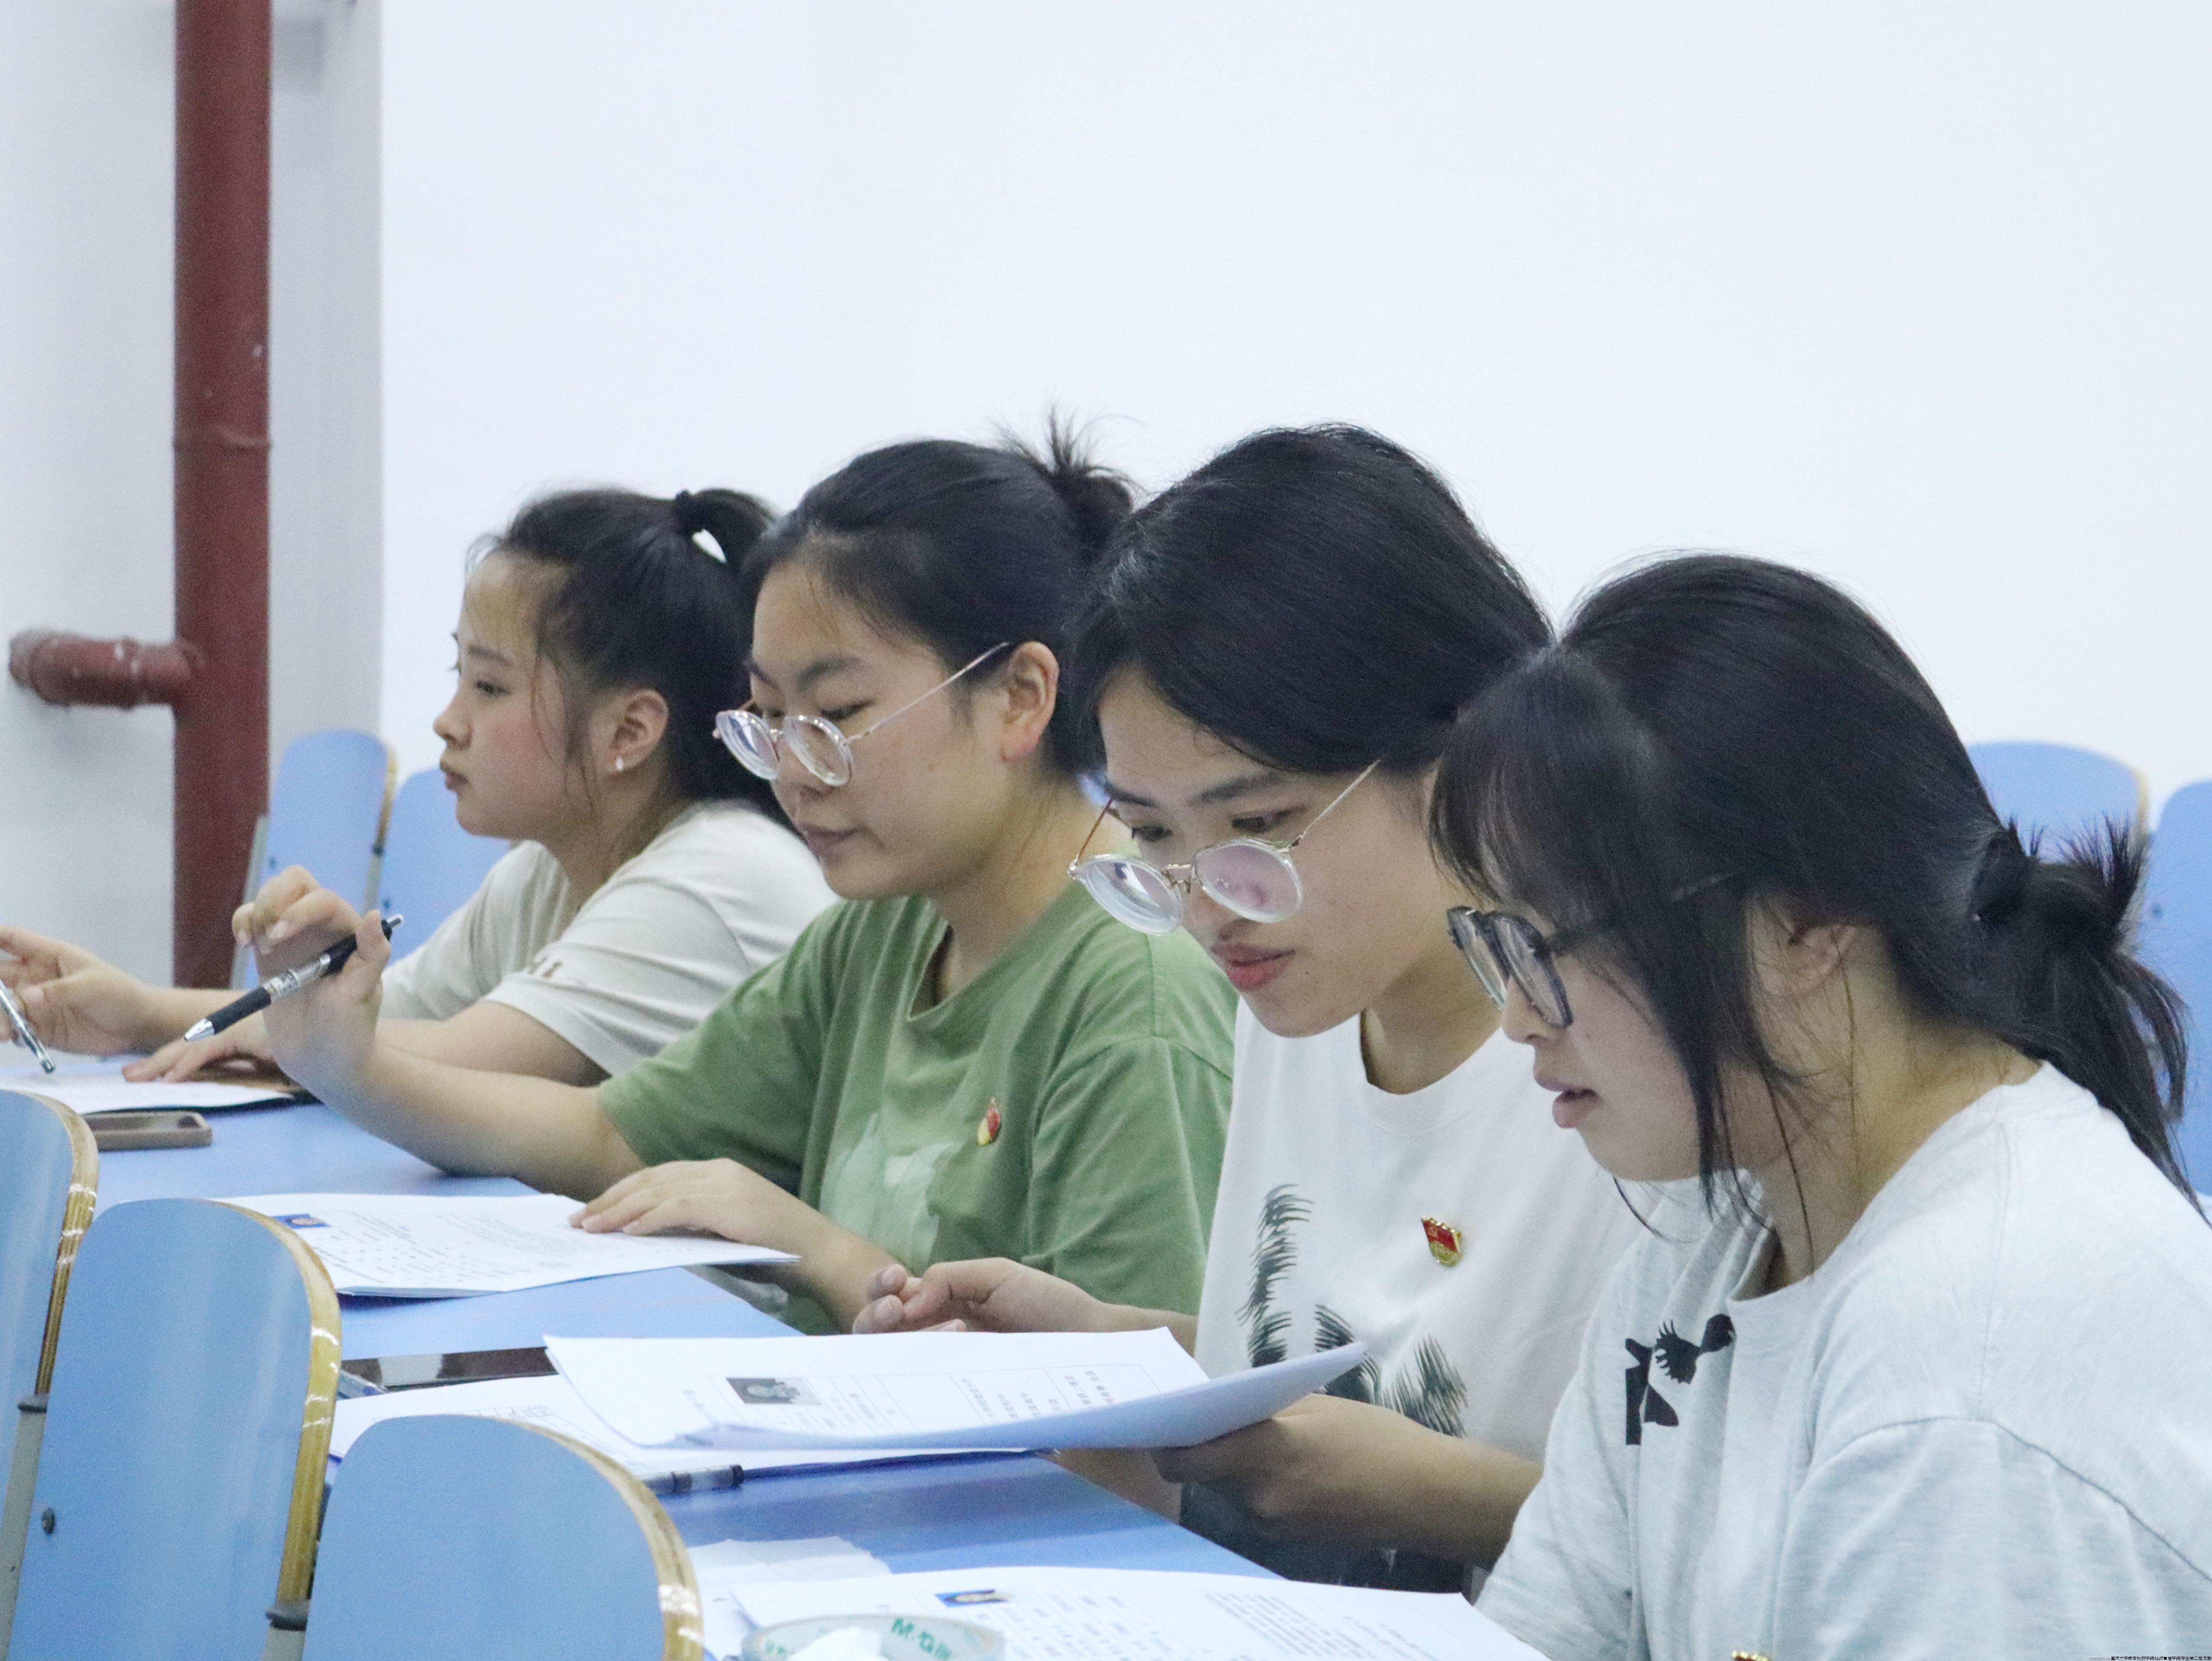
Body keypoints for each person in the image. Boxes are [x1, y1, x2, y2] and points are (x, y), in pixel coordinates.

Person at [856, 426, 1646, 1588]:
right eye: (1151, 834)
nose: (1206, 906)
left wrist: (1439, 1498)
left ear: (1457, 751)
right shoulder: (1301, 993)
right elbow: (1336, 1371)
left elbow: (1711, 1553)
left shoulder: (1619, 1080)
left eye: (1260, 825)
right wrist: (1107, 1345)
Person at [242, 428, 1237, 1334]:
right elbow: (609, 1133)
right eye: (768, 720)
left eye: (836, 716)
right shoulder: (884, 930)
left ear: (1018, 697)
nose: (793, 772)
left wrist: (817, 1250)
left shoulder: (1133, 999)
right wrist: (345, 1061)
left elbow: (1129, 1420)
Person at [1428, 554, 2212, 1657]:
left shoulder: (1966, 1359)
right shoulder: (1724, 1216)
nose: (1515, 1016)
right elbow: (1542, 1629)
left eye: (1548, 943)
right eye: (1494, 944)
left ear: (1805, 923)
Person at [0, 486, 834, 1086]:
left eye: (490, 686)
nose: (447, 721)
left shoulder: (713, 881)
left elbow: (438, 1061)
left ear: (629, 732)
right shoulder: (548, 872)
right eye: (456, 675)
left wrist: (290, 1028)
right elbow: (396, 1017)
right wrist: (134, 1009)